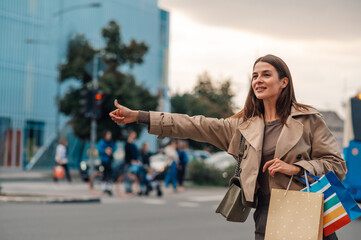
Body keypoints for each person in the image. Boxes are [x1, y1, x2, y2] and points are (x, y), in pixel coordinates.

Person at [109, 54, 346, 240]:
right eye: (254, 76)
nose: (258, 80)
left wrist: (297, 168)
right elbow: (193, 124)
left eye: (266, 74)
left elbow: (337, 166)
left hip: (305, 210)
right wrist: (140, 116)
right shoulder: (242, 127)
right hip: (265, 213)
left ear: (284, 82)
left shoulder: (309, 120)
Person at [97, 130, 116, 196]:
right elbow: (99, 149)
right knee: (104, 174)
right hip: (104, 160)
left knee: (110, 174)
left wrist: (111, 150)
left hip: (110, 160)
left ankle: (109, 188)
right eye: (108, 135)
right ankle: (104, 187)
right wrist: (105, 150)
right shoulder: (102, 142)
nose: (109, 136)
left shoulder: (111, 142)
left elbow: (114, 147)